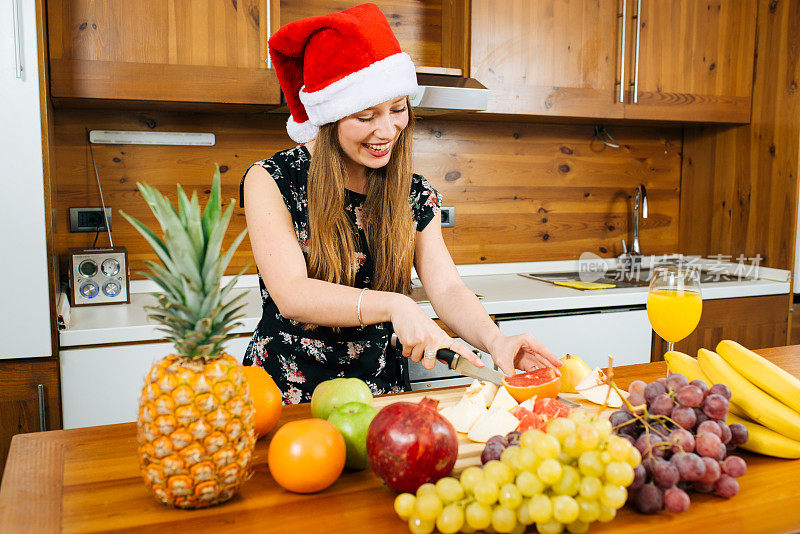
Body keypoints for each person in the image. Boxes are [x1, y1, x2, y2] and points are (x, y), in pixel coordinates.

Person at [240, 3, 560, 404]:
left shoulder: (412, 191)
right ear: (330, 117)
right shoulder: (271, 179)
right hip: (286, 396)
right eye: (365, 116)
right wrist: (395, 305)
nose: (387, 130)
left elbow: (446, 286)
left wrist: (495, 340)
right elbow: (291, 294)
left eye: (397, 110)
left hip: (381, 395)